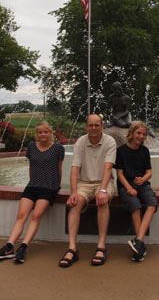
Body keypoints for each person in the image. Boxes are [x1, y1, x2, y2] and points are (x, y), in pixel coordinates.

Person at [0, 121, 65, 263]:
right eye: (40, 132)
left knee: (36, 216)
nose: (43, 135)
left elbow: (59, 169)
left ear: (51, 133)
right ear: (36, 134)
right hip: (32, 186)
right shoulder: (31, 147)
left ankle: (23, 247)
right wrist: (32, 182)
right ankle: (9, 247)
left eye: (46, 132)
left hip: (49, 187)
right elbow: (31, 167)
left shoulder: (58, 148)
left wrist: (57, 186)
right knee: (21, 216)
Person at [59, 114, 116, 267]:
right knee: (75, 203)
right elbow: (75, 169)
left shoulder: (110, 141)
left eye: (97, 125)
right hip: (84, 183)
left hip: (103, 182)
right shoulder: (81, 142)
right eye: (90, 125)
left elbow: (108, 167)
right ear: (86, 127)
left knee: (102, 202)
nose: (93, 128)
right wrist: (73, 192)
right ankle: (72, 248)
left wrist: (103, 190)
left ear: (102, 126)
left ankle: (101, 246)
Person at [114, 121, 158, 262]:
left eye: (144, 134)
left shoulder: (144, 151)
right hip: (126, 185)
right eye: (138, 133)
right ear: (131, 133)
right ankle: (140, 245)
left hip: (142, 184)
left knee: (152, 204)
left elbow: (149, 172)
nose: (141, 136)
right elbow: (119, 174)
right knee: (136, 206)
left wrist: (143, 178)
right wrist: (129, 188)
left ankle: (138, 241)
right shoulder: (121, 151)